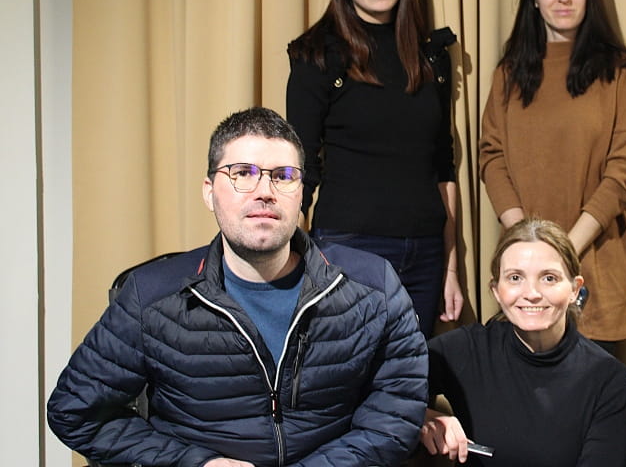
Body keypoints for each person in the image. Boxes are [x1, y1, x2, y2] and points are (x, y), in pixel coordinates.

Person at [47, 107, 428, 467]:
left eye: (283, 175)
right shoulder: (150, 295)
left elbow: (397, 412)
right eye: (243, 173)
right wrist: (194, 463)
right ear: (209, 191)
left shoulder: (373, 285)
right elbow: (75, 411)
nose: (265, 191)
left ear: (301, 192)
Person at [286, 0, 462, 338]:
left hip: (425, 253)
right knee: (348, 373)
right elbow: (300, 167)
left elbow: (443, 166)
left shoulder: (430, 56)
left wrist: (451, 266)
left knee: (411, 374)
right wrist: (293, 269)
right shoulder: (318, 55)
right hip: (348, 249)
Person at [479, 0, 626, 348]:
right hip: (526, 267)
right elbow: (491, 156)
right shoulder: (508, 74)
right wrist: (528, 245)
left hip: (598, 262)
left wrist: (563, 250)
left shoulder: (622, 73)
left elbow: (625, 171)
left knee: (596, 384)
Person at [421, 219, 626, 466]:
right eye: (515, 278)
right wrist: (421, 417)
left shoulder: (607, 379)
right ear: (496, 291)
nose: (531, 293)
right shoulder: (467, 349)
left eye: (549, 278)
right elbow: (385, 387)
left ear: (575, 289)